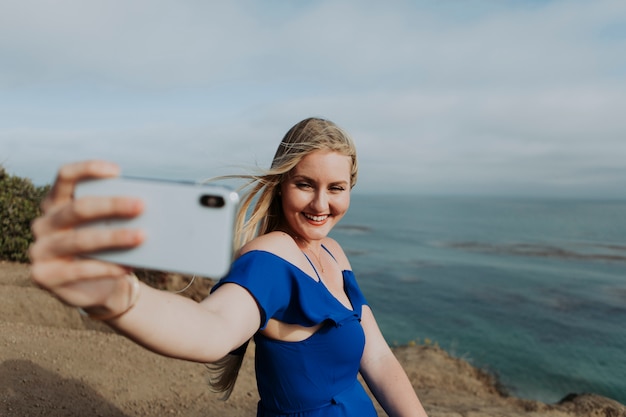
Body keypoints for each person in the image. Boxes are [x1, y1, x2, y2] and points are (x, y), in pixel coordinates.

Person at [29, 117, 429, 416]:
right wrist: (123, 299)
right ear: (281, 184)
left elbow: (377, 357)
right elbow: (212, 329)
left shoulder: (334, 254)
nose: (321, 205)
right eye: (305, 184)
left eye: (336, 188)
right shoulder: (271, 257)